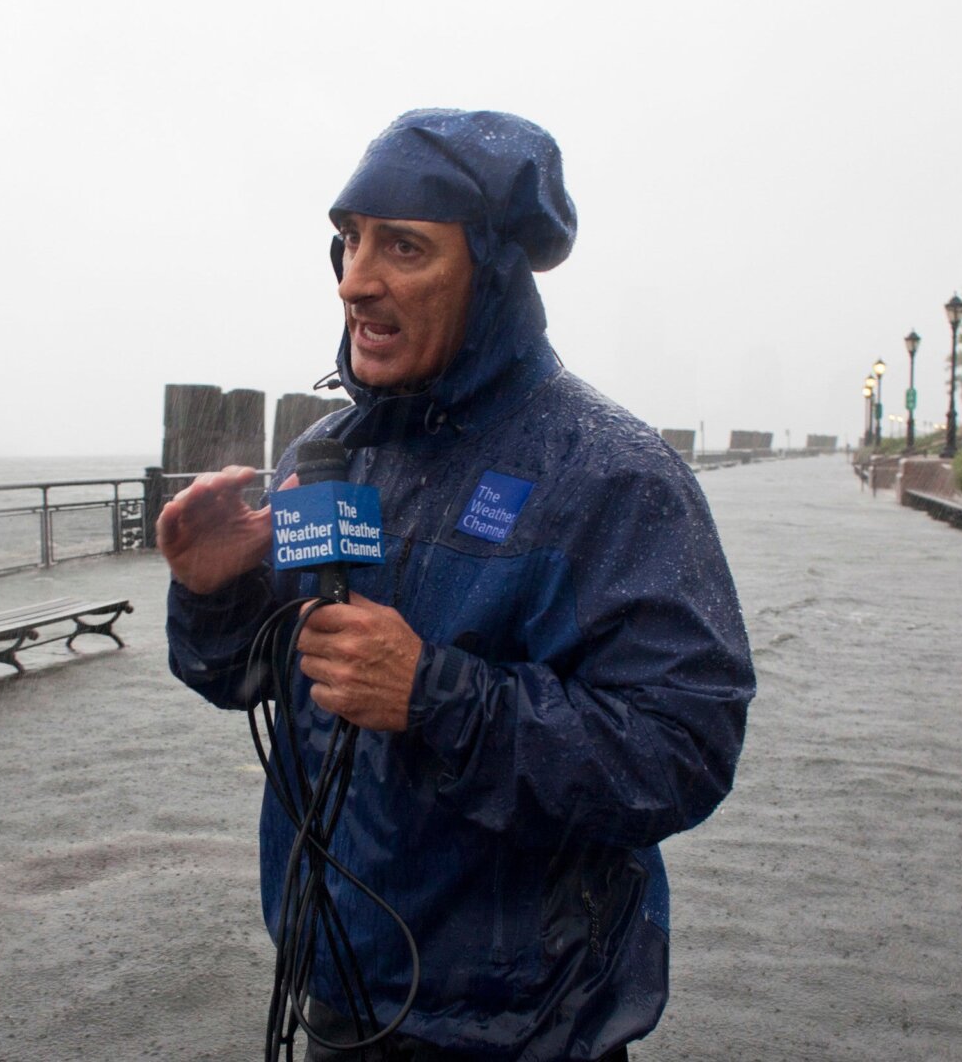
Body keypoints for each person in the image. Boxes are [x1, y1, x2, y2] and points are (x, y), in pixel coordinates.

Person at [162, 109, 754, 1061]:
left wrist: (435, 697)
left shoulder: (612, 476)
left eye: (403, 246)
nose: (357, 279)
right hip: (339, 996)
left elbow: (682, 749)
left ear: (492, 273)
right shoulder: (327, 455)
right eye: (348, 241)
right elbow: (252, 680)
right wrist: (215, 594)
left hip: (527, 1028)